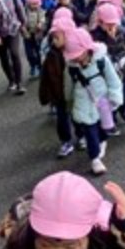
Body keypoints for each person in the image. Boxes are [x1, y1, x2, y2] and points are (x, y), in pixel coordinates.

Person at [63, 27, 123, 175]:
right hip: (83, 103)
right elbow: (69, 87)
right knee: (90, 131)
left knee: (103, 129)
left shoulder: (102, 61)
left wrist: (115, 97)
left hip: (103, 101)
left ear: (87, 49)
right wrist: (68, 103)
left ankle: (102, 140)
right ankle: (95, 159)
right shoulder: (72, 68)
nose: (75, 59)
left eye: (78, 54)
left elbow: (113, 80)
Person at [39, 14, 76, 157]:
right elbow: (46, 77)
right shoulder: (52, 55)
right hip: (59, 94)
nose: (54, 41)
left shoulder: (76, 52)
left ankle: (81, 136)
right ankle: (66, 141)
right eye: (53, 37)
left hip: (75, 92)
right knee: (62, 119)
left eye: (57, 37)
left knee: (79, 117)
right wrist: (46, 94)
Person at [23, 0, 47, 78]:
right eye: (33, 4)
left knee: (38, 52)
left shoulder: (40, 10)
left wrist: (40, 23)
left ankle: (40, 66)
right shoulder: (24, 10)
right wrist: (24, 30)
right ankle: (33, 66)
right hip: (28, 35)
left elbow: (43, 18)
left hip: (37, 35)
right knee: (29, 53)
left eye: (37, 4)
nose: (35, 6)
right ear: (28, 3)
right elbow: (21, 21)